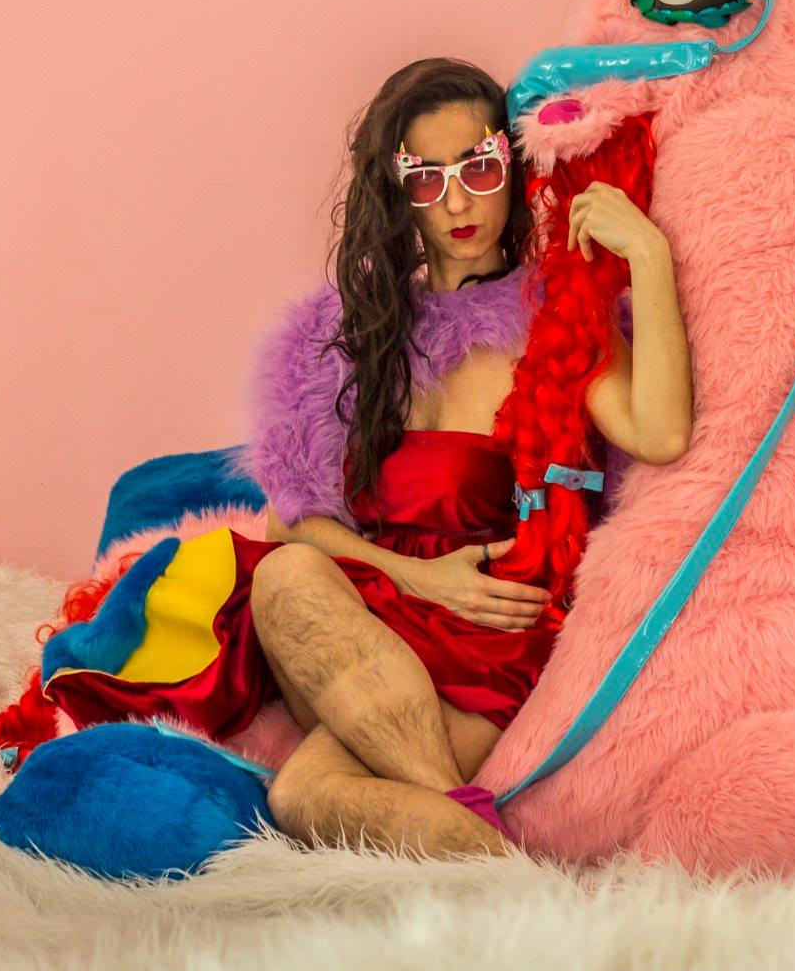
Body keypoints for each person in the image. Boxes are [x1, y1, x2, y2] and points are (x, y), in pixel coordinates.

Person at [234, 56, 693, 860]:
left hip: (485, 630)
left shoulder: (552, 315)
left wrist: (648, 256)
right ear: (396, 192)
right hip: (364, 623)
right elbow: (291, 526)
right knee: (284, 576)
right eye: (428, 178)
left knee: (301, 796)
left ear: (513, 168)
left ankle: (489, 864)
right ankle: (463, 813)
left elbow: (660, 434)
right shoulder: (349, 335)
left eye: (479, 169)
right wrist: (416, 577)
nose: (457, 203)